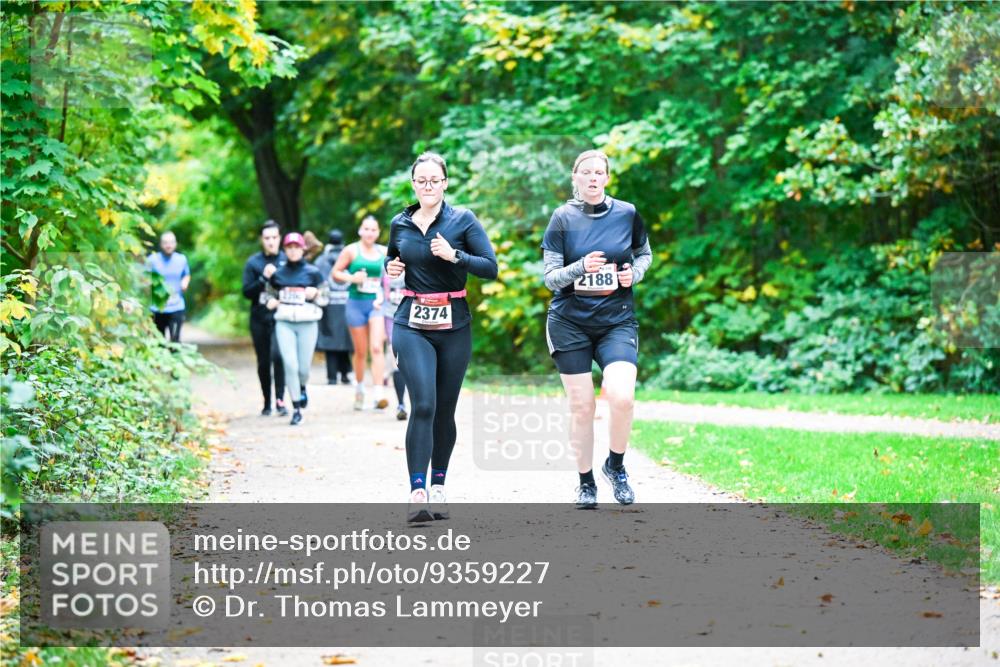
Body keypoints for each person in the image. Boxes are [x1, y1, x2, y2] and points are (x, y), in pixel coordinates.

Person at [384, 152, 498, 522]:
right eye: (421, 181)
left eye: (435, 180)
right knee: (425, 404)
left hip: (454, 323)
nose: (428, 186)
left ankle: (438, 486)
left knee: (444, 410)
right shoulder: (400, 223)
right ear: (413, 184)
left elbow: (490, 268)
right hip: (411, 321)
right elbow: (392, 260)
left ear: (445, 183)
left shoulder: (462, 220)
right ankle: (416, 492)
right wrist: (392, 266)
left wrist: (455, 256)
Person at [541, 149, 652, 509]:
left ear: (606, 178)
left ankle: (615, 467)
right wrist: (580, 268)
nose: (592, 178)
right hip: (569, 322)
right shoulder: (561, 218)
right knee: (582, 406)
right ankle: (586, 483)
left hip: (616, 320)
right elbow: (550, 278)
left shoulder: (627, 213)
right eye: (585, 172)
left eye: (598, 172)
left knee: (622, 397)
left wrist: (631, 274)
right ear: (575, 178)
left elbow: (644, 254)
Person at [265, 232, 325, 426]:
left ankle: (301, 386)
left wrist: (316, 294)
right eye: (289, 248)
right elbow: (267, 295)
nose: (292, 251)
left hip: (308, 323)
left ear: (302, 249)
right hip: (285, 323)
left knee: (303, 367)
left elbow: (326, 297)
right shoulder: (277, 274)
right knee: (290, 365)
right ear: (285, 250)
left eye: (296, 247)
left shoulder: (313, 272)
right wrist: (271, 301)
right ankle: (297, 408)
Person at [332, 215, 389, 411]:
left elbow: (393, 279)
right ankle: (359, 388)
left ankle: (379, 393)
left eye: (373, 230)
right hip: (355, 304)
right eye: (366, 229)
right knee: (360, 351)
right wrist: (352, 278)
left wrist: (385, 296)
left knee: (376, 348)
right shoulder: (351, 250)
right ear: (360, 231)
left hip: (377, 305)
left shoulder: (385, 252)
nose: (370, 233)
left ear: (378, 232)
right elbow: (336, 273)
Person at [242, 221, 288, 416]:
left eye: (274, 238)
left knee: (279, 357)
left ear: (279, 238)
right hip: (259, 318)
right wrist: (263, 278)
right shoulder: (253, 263)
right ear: (262, 240)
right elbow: (246, 292)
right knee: (263, 361)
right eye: (267, 238)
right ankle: (267, 401)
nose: (271, 242)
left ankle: (280, 400)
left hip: (282, 317)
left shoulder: (287, 260)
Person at [314, 229, 353, 385]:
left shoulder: (321, 260)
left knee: (330, 338)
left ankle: (331, 376)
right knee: (346, 337)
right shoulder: (350, 257)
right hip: (348, 303)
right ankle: (345, 374)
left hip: (328, 304)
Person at [147, 231, 190, 342]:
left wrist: (184, 283)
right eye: (165, 243)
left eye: (171, 242)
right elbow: (143, 279)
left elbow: (186, 275)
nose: (168, 245)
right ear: (161, 245)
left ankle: (176, 358)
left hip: (176, 306)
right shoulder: (152, 260)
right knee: (158, 342)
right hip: (157, 308)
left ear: (175, 244)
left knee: (175, 341)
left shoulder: (182, 259)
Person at [379, 267, 408, 420]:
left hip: (413, 315)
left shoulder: (414, 263)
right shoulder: (385, 266)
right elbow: (377, 286)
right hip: (390, 316)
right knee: (397, 357)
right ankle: (401, 404)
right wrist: (377, 300)